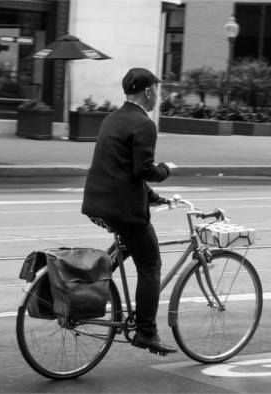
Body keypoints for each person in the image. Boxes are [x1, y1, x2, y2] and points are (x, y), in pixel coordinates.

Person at [81, 67, 177, 355]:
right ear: (148, 92)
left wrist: (153, 197)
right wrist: (165, 171)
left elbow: (123, 170)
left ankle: (85, 286)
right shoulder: (144, 124)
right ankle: (146, 332)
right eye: (156, 91)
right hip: (123, 209)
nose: (157, 96)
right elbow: (143, 169)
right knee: (150, 264)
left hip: (98, 203)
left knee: (126, 247)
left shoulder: (112, 118)